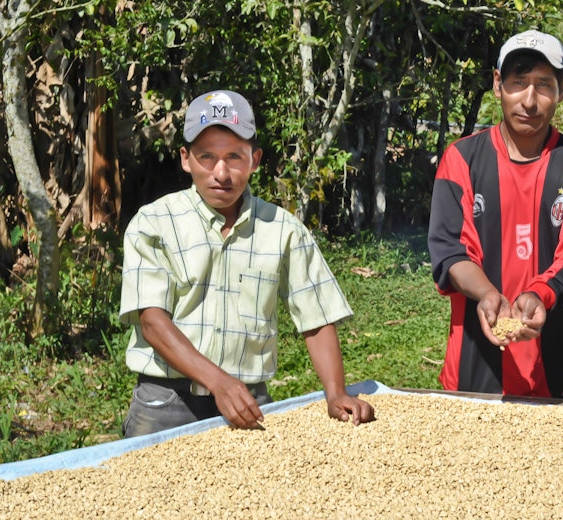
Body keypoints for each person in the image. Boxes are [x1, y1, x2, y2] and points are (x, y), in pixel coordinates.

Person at [120, 90, 375, 437]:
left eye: (234, 157)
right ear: (185, 159)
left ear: (254, 160)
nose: (221, 172)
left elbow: (316, 315)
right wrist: (218, 382)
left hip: (248, 400)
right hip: (166, 403)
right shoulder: (154, 223)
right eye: (207, 156)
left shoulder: (284, 230)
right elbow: (152, 322)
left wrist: (336, 392)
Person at [427, 30, 563, 399]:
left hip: (561, 373)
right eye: (518, 82)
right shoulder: (461, 160)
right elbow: (450, 252)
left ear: (562, 89)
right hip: (473, 373)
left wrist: (540, 295)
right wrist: (488, 294)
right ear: (497, 85)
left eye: (543, 85)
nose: (529, 100)